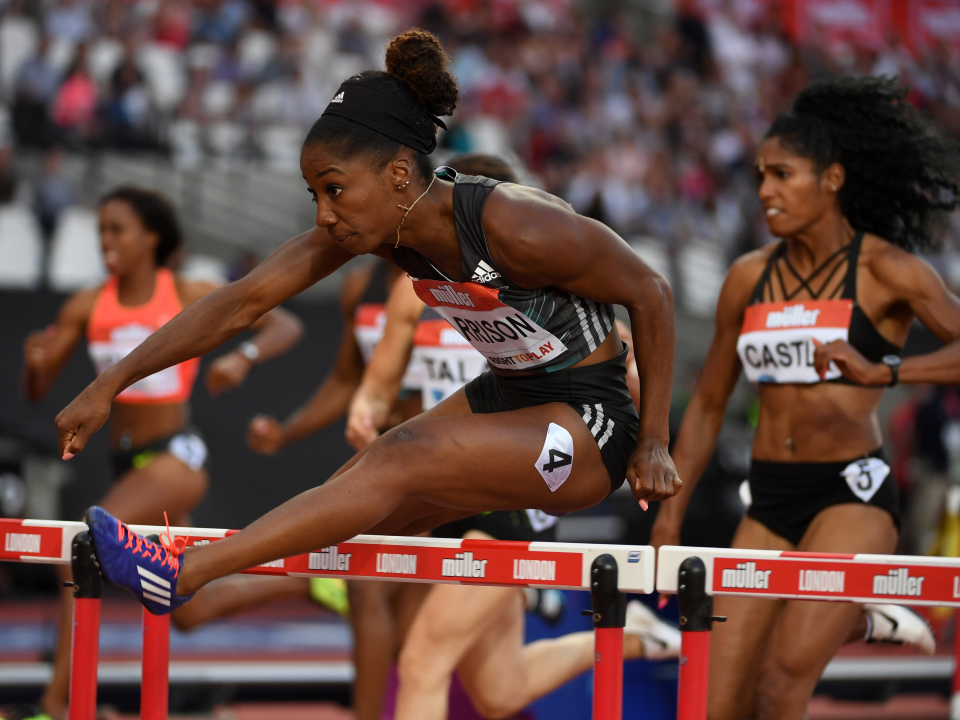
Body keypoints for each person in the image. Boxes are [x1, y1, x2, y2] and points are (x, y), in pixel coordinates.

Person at [54, 30, 678, 625]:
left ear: (398, 176)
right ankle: (226, 589)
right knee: (351, 491)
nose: (323, 216)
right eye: (313, 194)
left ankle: (183, 574)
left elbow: (651, 291)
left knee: (402, 451)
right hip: (509, 394)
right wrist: (112, 380)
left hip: (591, 422)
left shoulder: (515, 225)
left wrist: (653, 442)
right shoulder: (381, 229)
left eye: (333, 190)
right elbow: (242, 302)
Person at [649, 76, 959, 720]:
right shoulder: (748, 276)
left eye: (783, 174)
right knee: (713, 701)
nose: (765, 190)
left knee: (779, 685)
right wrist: (671, 513)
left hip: (851, 491)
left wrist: (888, 372)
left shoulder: (886, 271)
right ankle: (855, 615)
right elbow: (707, 404)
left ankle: (844, 612)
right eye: (761, 175)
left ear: (832, 178)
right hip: (768, 497)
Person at [344, 166, 679, 717]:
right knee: (500, 689)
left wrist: (652, 445)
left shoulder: (551, 293)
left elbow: (630, 386)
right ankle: (633, 635)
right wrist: (366, 409)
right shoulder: (415, 294)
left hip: (517, 491)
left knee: (424, 659)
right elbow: (379, 383)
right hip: (450, 479)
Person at [23, 186, 303, 719]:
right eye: (101, 229)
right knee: (188, 608)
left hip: (176, 458)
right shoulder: (88, 303)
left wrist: (243, 357)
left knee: (82, 547)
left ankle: (56, 706)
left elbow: (285, 322)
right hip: (129, 463)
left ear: (152, 238)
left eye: (118, 229)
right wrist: (36, 364)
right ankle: (311, 587)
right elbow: (38, 390)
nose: (107, 240)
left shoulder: (187, 291)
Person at [178, 254, 419, 720]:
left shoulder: (452, 282)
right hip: (383, 466)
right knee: (373, 600)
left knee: (378, 600)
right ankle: (307, 582)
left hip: (442, 469)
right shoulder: (359, 288)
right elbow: (348, 380)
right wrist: (288, 432)